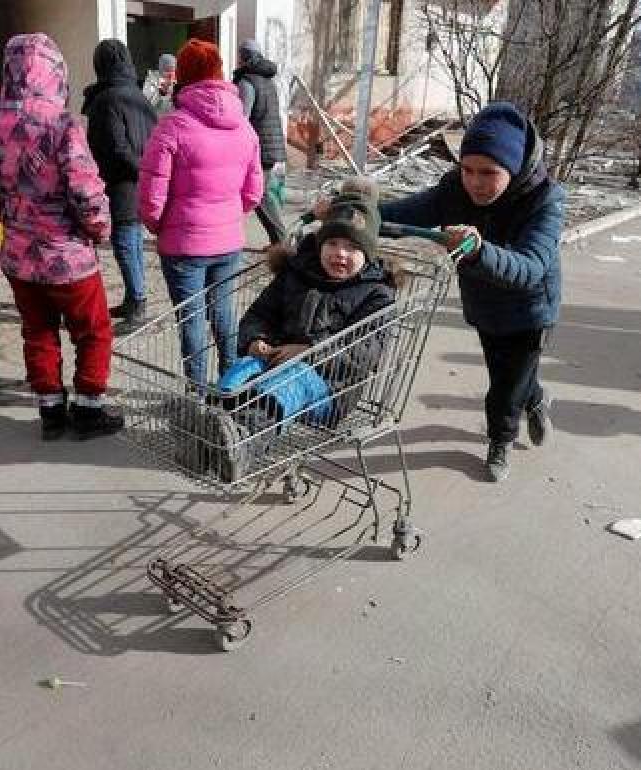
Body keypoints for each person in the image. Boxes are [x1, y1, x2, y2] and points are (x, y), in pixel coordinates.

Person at [378, 102, 565, 482]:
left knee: (504, 386)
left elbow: (530, 267)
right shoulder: (454, 191)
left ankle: (500, 440)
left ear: (512, 171)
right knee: (506, 370)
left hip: (531, 309)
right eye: (467, 170)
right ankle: (536, 398)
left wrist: (480, 250)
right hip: (485, 304)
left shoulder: (545, 201)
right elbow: (409, 211)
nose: (475, 182)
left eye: (489, 173)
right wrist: (357, 211)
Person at [0, 34, 123, 440]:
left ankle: (51, 409)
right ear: (55, 73)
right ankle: (89, 409)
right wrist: (99, 228)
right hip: (67, 257)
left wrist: (12, 216)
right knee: (92, 331)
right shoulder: (61, 124)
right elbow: (86, 189)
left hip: (19, 255)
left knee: (37, 329)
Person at [139, 38, 263, 387]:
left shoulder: (172, 126)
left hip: (183, 245)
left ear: (184, 75)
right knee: (223, 314)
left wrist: (160, 225)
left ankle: (198, 391)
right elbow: (254, 193)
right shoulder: (244, 127)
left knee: (191, 319)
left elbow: (151, 196)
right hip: (227, 242)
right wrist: (225, 217)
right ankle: (231, 383)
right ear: (220, 72)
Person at [228, 179, 402, 418]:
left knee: (289, 383)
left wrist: (309, 353)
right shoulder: (297, 273)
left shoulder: (376, 294)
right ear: (320, 245)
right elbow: (260, 314)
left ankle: (242, 433)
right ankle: (215, 416)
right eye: (332, 243)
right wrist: (255, 340)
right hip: (276, 362)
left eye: (352, 247)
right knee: (242, 369)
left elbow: (362, 354)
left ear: (367, 255)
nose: (340, 253)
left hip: (330, 388)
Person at [81, 39, 158, 328]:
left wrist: (136, 170)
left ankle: (138, 303)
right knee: (133, 241)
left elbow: (115, 148)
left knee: (126, 244)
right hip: (139, 181)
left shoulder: (107, 100)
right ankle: (133, 298)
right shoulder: (137, 95)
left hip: (121, 184)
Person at [234, 39, 289, 247]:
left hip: (258, 147)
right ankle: (278, 239)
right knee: (257, 193)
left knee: (257, 194)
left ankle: (281, 239)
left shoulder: (247, 82)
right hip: (269, 145)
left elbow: (242, 118)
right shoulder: (267, 80)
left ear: (244, 57)